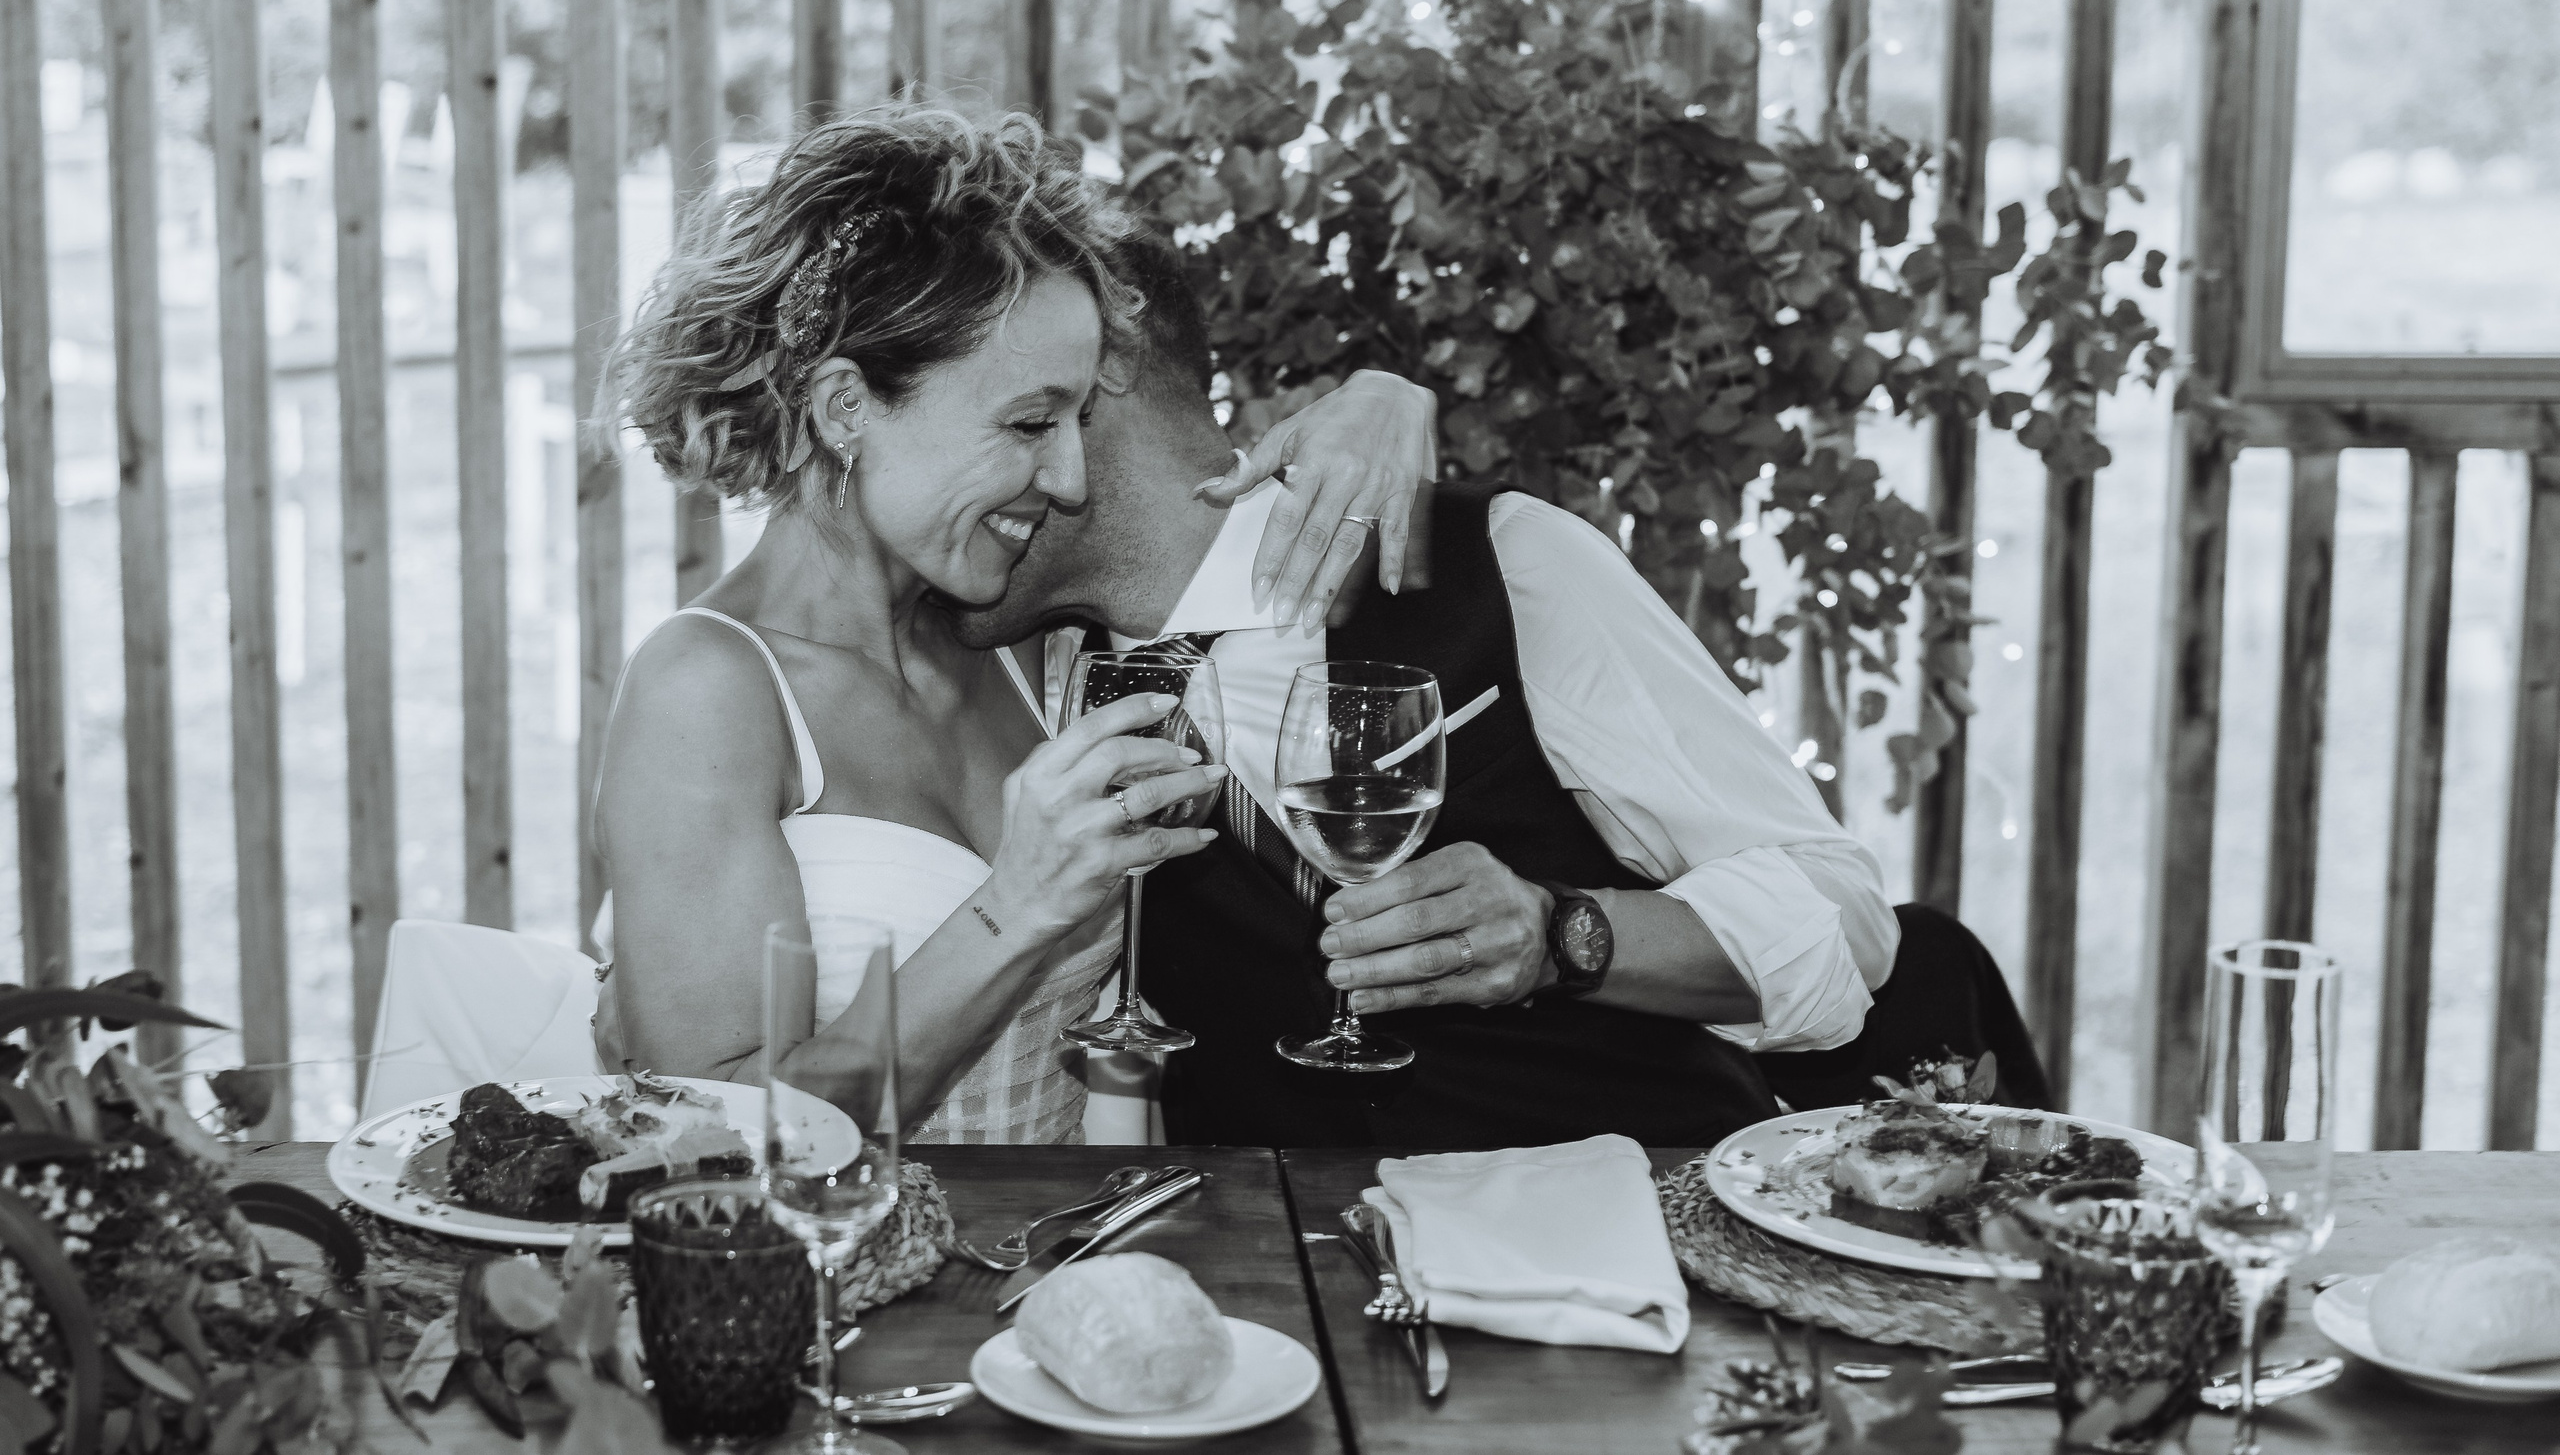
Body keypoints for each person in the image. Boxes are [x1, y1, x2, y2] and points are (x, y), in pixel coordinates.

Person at [589, 105, 1434, 1143]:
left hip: (1067, 1234)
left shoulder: (1028, 645)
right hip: (842, 1246)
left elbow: (1195, 506)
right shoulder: (707, 691)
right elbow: (721, 1143)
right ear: (846, 407)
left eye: (1079, 421)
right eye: (1031, 422)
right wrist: (1017, 907)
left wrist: (1386, 397)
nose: (1070, 479)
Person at [949, 237, 1902, 1150]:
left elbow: (1845, 912)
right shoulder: (1028, 674)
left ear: (1099, 363)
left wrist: (1563, 935)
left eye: (982, 410)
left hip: (1640, 1213)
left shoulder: (1505, 561)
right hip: (1288, 1248)